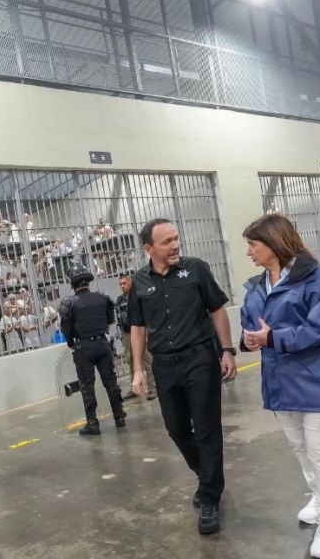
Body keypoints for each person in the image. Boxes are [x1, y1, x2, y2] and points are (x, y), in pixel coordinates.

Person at [239, 214, 320, 559]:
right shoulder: (258, 286)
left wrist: (272, 337)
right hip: (280, 381)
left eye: (253, 245)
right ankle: (319, 498)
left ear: (274, 244)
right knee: (301, 448)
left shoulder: (317, 280)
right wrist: (249, 340)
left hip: (319, 380)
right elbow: (250, 323)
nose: (249, 252)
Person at [127, 219, 235, 535]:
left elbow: (217, 309)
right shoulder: (140, 282)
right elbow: (137, 327)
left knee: (206, 428)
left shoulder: (196, 269)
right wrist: (137, 369)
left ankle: (210, 498)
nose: (175, 246)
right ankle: (209, 476)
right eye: (167, 242)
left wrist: (226, 350)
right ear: (148, 248)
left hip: (199, 358)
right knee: (176, 429)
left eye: (176, 239)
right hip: (164, 364)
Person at [60, 265, 126, 435]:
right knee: (110, 382)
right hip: (103, 345)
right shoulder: (102, 298)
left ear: (73, 284)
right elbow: (110, 320)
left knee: (87, 386)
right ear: (88, 281)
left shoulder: (69, 303)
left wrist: (71, 343)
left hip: (84, 347)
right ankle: (119, 416)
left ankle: (92, 423)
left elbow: (66, 329)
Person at [116, 274, 155, 399]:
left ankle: (153, 387)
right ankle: (135, 388)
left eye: (124, 283)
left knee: (147, 359)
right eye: (120, 284)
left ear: (130, 282)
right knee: (130, 360)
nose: (122, 286)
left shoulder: (139, 296)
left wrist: (148, 332)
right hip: (127, 334)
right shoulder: (120, 300)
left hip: (141, 331)